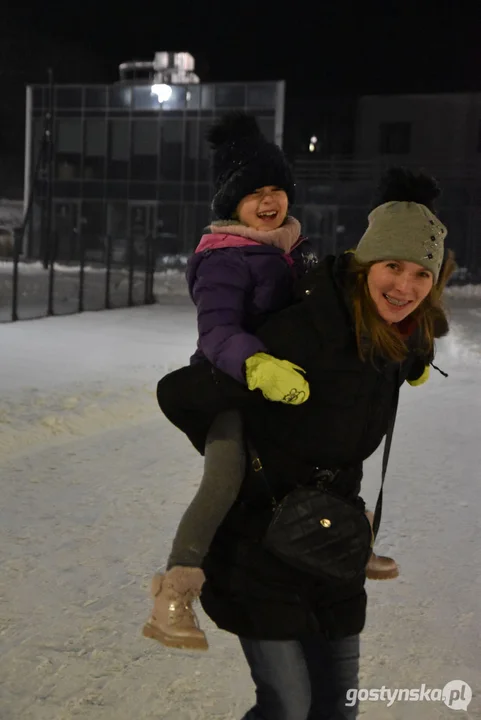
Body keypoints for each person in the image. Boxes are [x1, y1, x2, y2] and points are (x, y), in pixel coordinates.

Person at [151, 167, 454, 719]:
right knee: (288, 706)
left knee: (338, 709)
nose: (404, 287)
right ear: (364, 266)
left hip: (330, 548)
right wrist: (250, 380)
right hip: (258, 547)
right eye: (391, 266)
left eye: (420, 274)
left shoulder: (396, 341)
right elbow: (181, 391)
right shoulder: (303, 328)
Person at [142, 111, 316, 651]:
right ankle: (175, 589)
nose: (268, 202)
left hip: (284, 383)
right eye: (253, 193)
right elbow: (217, 331)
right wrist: (256, 365)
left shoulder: (290, 250)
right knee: (225, 476)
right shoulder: (224, 259)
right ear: (231, 204)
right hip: (226, 385)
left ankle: (350, 539)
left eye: (276, 189)